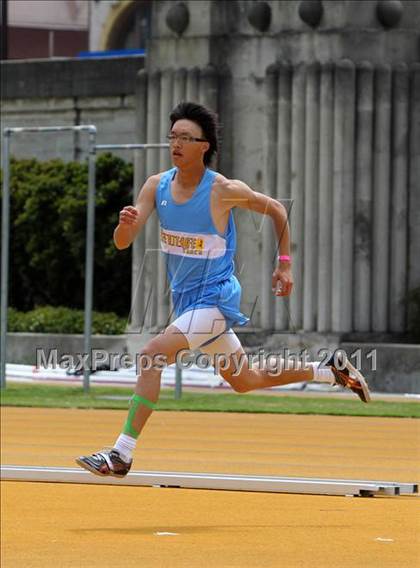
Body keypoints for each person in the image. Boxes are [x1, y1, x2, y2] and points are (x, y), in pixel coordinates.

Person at [76, 102, 370, 478]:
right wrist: (125, 224)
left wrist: (285, 264)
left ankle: (122, 453)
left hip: (215, 299)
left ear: (204, 146)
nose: (176, 144)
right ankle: (330, 371)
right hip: (188, 305)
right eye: (173, 137)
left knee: (151, 355)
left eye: (186, 138)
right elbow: (122, 242)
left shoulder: (223, 190)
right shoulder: (156, 186)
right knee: (244, 380)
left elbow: (277, 210)